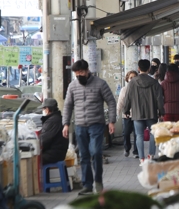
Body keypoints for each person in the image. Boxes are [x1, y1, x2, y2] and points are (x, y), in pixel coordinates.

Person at [63, 59, 117, 195]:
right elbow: (68, 105)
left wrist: (111, 121)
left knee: (96, 152)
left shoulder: (100, 84)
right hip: (80, 126)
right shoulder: (72, 86)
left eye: (81, 72)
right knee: (84, 155)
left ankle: (98, 182)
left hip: (97, 125)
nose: (79, 75)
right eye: (76, 73)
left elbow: (111, 101)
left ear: (87, 71)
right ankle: (87, 184)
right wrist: (66, 124)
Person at [123, 59, 164, 165]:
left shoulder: (132, 82)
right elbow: (160, 99)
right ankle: (151, 155)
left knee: (139, 135)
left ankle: (141, 158)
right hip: (152, 113)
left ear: (138, 69)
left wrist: (126, 110)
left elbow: (127, 98)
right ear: (149, 69)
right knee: (152, 134)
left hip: (137, 113)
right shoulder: (155, 82)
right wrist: (161, 112)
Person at [117, 70, 139, 158]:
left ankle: (136, 151)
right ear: (127, 79)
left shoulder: (139, 88)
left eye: (134, 77)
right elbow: (120, 102)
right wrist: (117, 112)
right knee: (126, 133)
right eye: (131, 78)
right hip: (127, 115)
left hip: (137, 115)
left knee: (137, 134)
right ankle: (127, 148)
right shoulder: (124, 89)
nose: (132, 79)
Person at [40, 98, 69, 165]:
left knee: (32, 159)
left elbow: (44, 140)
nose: (43, 111)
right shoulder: (57, 118)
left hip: (54, 154)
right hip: (57, 152)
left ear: (47, 110)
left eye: (43, 109)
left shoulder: (52, 121)